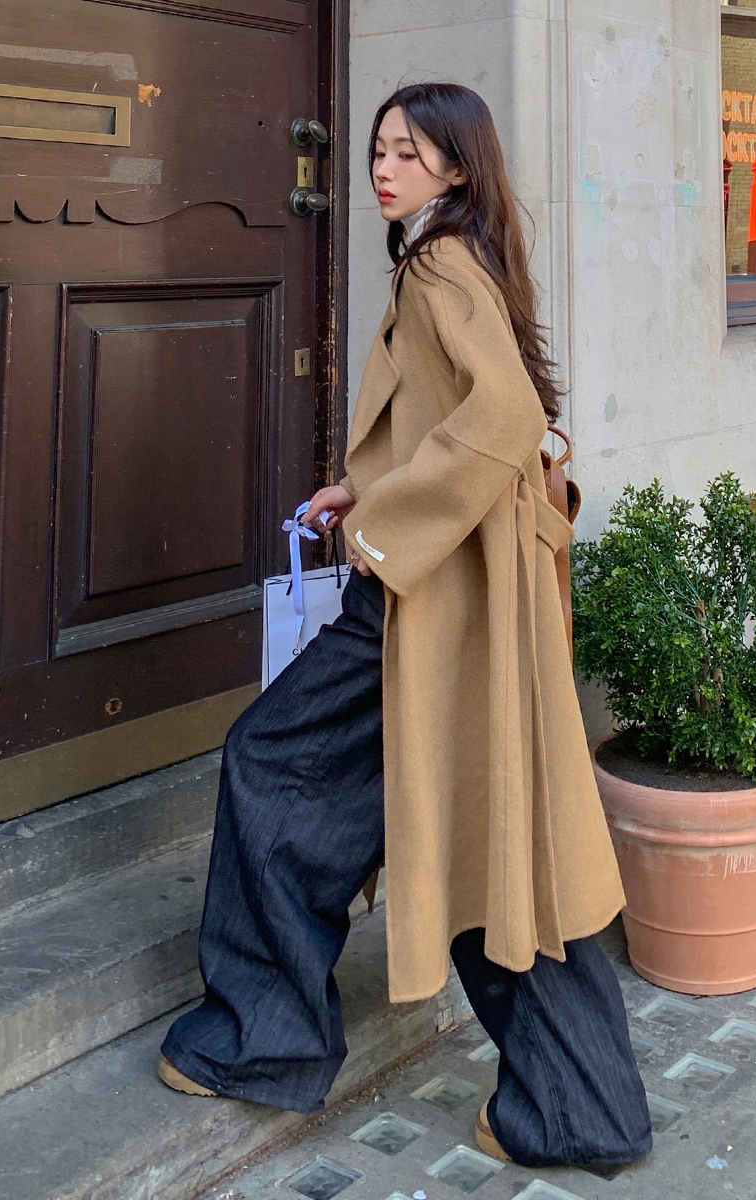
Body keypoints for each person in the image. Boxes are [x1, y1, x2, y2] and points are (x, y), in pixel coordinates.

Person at [157, 82, 651, 1171]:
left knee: (273, 764)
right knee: (491, 832)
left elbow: (506, 415)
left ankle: (268, 1041)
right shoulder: (465, 252)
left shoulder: (437, 264)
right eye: (378, 150)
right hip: (461, 596)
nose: (384, 170)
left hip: (422, 600)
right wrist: (362, 490)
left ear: (458, 167)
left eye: (410, 154)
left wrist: (382, 534)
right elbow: (463, 420)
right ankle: (586, 1110)